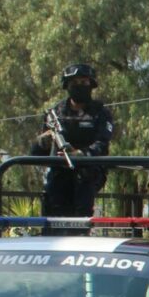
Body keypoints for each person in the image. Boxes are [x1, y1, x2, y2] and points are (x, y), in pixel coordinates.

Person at [31, 62, 115, 218]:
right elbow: (36, 153)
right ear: (67, 85)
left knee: (83, 195)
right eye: (74, 82)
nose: (79, 86)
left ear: (91, 84)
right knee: (53, 205)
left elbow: (102, 145)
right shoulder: (56, 113)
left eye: (84, 82)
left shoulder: (100, 112)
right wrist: (43, 141)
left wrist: (80, 154)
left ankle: (80, 228)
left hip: (88, 171)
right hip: (59, 172)